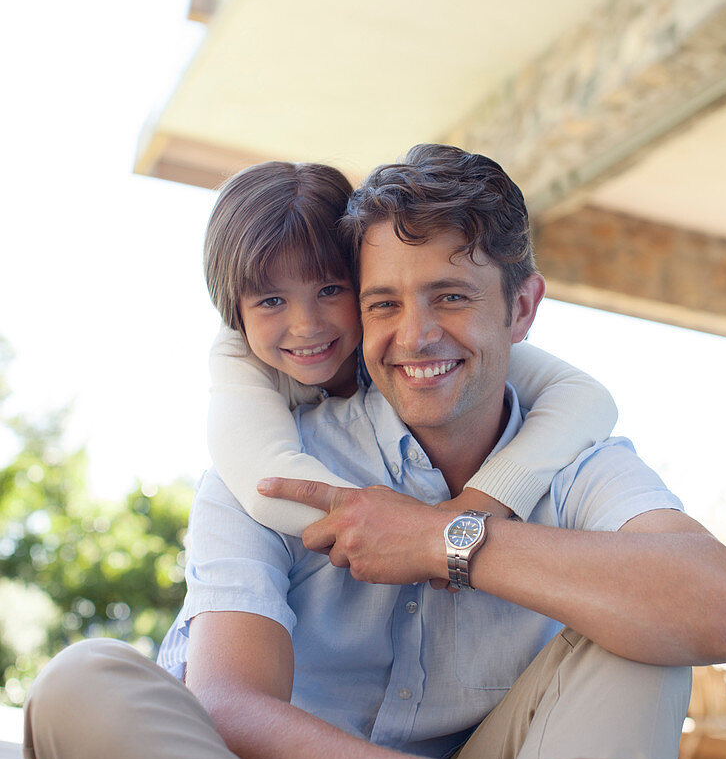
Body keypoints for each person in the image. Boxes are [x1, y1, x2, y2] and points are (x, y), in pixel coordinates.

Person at [24, 145, 726, 759]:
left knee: (650, 621)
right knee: (81, 688)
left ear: (522, 308)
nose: (415, 336)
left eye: (451, 295)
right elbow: (230, 709)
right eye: (384, 303)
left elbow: (722, 612)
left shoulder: (576, 460)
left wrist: (451, 540)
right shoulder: (273, 466)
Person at [203, 159, 619, 538]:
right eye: (272, 301)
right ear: (234, 309)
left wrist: (480, 504)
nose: (307, 325)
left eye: (330, 290)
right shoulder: (239, 360)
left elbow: (586, 398)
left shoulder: (405, 337)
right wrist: (420, 535)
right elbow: (266, 483)